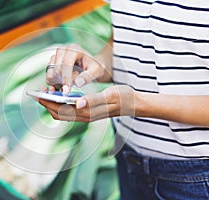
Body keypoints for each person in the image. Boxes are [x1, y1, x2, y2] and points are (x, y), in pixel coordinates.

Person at [38, 0, 209, 199]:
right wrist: (95, 66)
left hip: (197, 176)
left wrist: (136, 104)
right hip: (129, 160)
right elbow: (121, 40)